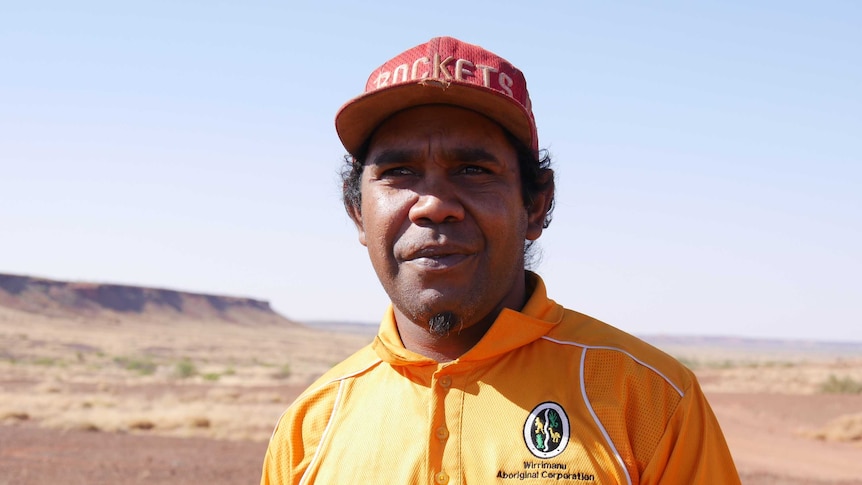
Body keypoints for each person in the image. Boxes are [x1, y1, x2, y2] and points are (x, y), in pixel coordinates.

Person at [261, 36, 740, 484]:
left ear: (535, 205)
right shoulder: (311, 426)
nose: (433, 204)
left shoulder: (645, 400)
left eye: (473, 170)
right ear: (358, 214)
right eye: (399, 172)